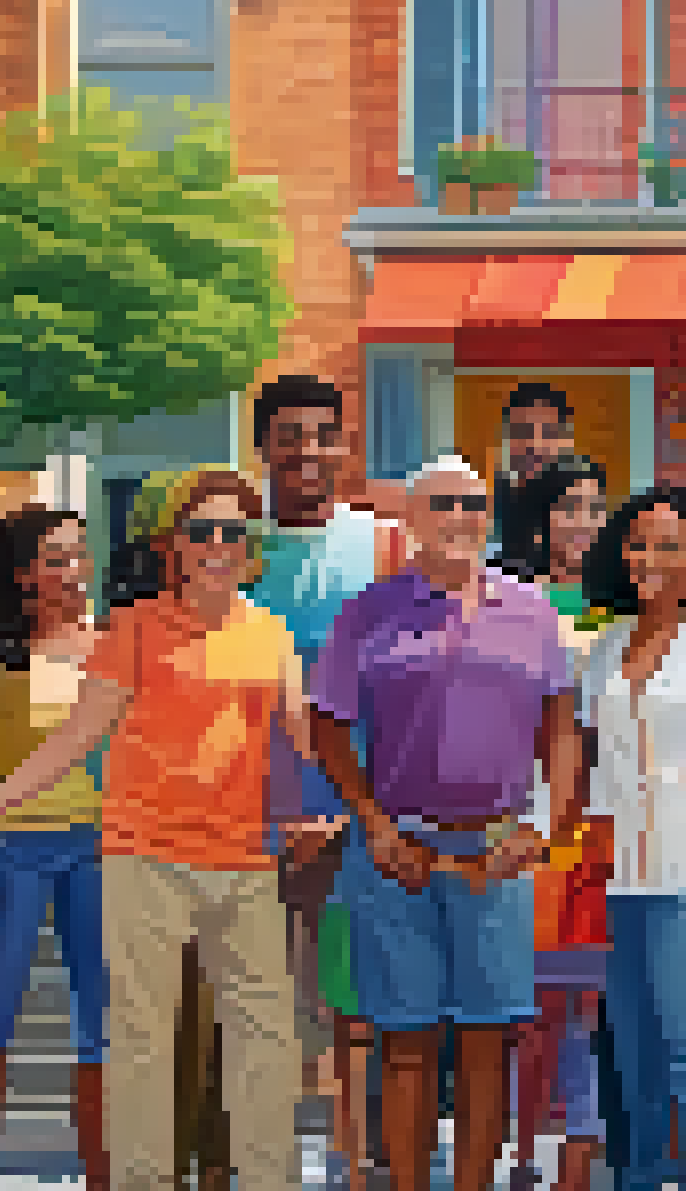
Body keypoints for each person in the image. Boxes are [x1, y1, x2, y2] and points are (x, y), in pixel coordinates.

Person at [0, 466, 310, 1191]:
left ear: (251, 549)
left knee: (268, 1041)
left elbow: (300, 743)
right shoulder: (133, 628)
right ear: (173, 547)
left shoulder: (272, 633)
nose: (217, 544)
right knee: (141, 1044)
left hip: (245, 858)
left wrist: (334, 809)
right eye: (200, 531)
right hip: (143, 856)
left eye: (232, 532)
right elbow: (76, 738)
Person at [310, 455, 574, 1191]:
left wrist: (542, 825)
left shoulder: (532, 610)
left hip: (496, 853)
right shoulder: (370, 608)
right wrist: (371, 820)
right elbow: (328, 723)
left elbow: (561, 726)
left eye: (474, 503)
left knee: (489, 1041)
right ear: (414, 521)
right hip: (400, 850)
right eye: (445, 504)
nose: (461, 517)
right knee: (405, 1042)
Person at [566, 485, 686, 1191]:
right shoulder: (603, 649)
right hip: (620, 879)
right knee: (635, 1064)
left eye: (668, 545)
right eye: (638, 543)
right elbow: (584, 757)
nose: (648, 558)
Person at [241, 374, 404, 1191]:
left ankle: (357, 1159)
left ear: (344, 445)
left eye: (323, 434)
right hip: (251, 803)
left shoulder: (382, 544)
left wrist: (365, 804)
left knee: (353, 996)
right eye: (291, 435)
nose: (308, 450)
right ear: (262, 444)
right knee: (263, 995)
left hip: (359, 799)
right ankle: (265, 1158)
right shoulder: (235, 543)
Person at [0, 508, 109, 1190]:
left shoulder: (111, 647)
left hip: (98, 849)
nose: (73, 572)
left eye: (79, 556)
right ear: (22, 574)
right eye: (56, 559)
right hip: (16, 847)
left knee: (100, 1026)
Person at [499, 454, 614, 1191]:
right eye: (567, 506)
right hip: (537, 819)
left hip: (609, 822)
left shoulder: (626, 605)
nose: (581, 522)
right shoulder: (518, 604)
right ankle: (522, 1150)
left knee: (596, 1003)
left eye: (593, 507)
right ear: (541, 521)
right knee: (533, 1005)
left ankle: (587, 1144)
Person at [494, 383, 578, 552]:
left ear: (563, 440)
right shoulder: (488, 496)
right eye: (523, 431)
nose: (534, 443)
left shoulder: (575, 497)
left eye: (547, 433)